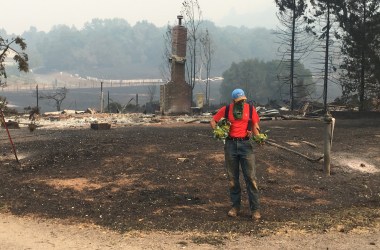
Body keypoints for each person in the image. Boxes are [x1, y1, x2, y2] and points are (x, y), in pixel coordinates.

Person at [210, 88, 261, 221]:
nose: (241, 103)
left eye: (243, 100)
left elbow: (255, 125)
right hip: (231, 145)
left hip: (245, 145)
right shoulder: (226, 110)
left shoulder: (250, 109)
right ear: (233, 100)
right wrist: (219, 131)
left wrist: (259, 138)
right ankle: (235, 207)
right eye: (239, 101)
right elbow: (213, 121)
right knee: (233, 178)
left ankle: (255, 209)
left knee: (251, 178)